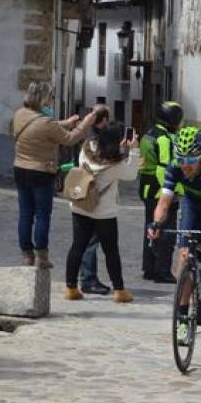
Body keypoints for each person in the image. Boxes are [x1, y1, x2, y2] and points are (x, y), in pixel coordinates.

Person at [147, 127, 201, 343]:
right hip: (192, 203)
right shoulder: (175, 167)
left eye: (191, 160)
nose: (185, 165)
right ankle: (183, 319)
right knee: (184, 257)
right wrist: (157, 222)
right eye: (182, 159)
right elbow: (163, 203)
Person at [13, 81, 95, 268]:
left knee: (25, 213)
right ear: (42, 99)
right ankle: (41, 256)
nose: (51, 101)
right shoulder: (46, 123)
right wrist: (84, 124)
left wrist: (65, 123)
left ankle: (26, 254)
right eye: (50, 97)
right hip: (41, 171)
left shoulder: (20, 114)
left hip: (20, 168)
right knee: (42, 214)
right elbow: (70, 139)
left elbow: (38, 125)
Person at [65, 122, 140, 303]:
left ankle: (71, 288)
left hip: (80, 205)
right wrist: (134, 149)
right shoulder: (116, 164)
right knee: (111, 251)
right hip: (103, 212)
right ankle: (119, 290)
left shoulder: (87, 149)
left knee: (78, 246)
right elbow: (132, 174)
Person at [139, 101, 183, 283]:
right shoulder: (164, 139)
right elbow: (164, 168)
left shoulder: (149, 133)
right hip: (160, 190)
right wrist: (173, 191)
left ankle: (149, 268)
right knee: (166, 232)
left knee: (151, 228)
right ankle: (162, 271)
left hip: (147, 187)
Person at [79, 104, 112, 295]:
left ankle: (83, 277)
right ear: (104, 121)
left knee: (84, 239)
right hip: (94, 196)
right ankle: (88, 279)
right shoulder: (97, 142)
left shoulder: (88, 137)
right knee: (91, 240)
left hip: (83, 193)